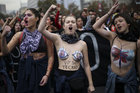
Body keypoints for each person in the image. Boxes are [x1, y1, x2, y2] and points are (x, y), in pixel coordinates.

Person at [38, 5, 95, 93]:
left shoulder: (82, 44)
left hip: (77, 79)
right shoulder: (57, 39)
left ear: (76, 26)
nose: (70, 23)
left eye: (73, 22)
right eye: (67, 22)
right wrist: (48, 10)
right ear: (64, 26)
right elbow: (41, 29)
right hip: (61, 79)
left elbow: (87, 65)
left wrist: (91, 84)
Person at [1, 8, 54, 93]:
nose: (25, 17)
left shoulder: (45, 35)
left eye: (29, 15)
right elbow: (5, 51)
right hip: (25, 69)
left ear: (37, 18)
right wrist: (3, 37)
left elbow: (51, 56)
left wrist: (47, 75)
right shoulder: (19, 35)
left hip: (41, 69)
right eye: (25, 15)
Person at [93, 1, 140, 93]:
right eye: (115, 22)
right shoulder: (113, 36)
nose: (118, 23)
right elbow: (96, 27)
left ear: (128, 24)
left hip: (129, 83)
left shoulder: (137, 43)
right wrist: (109, 13)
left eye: (120, 21)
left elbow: (139, 64)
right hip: (113, 82)